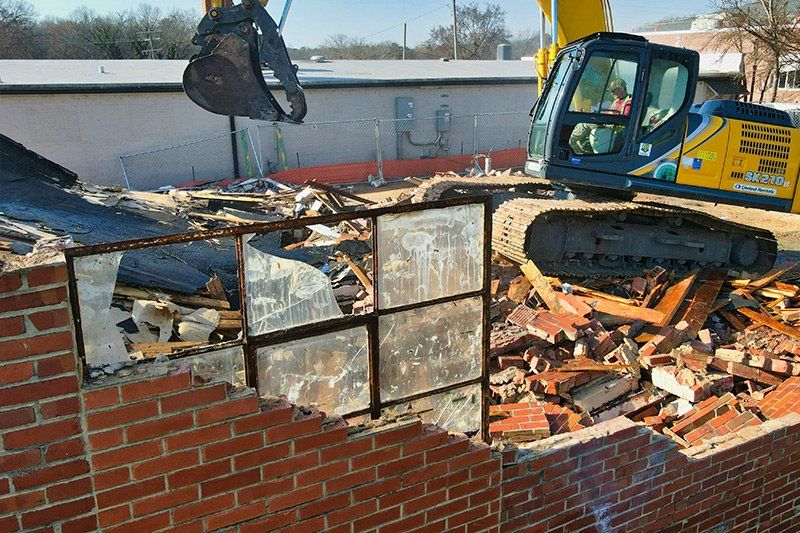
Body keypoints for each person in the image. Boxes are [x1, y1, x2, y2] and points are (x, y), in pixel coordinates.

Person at [568, 78, 632, 155]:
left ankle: (569, 143)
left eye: (613, 91)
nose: (611, 93)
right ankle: (581, 149)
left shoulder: (628, 102)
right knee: (583, 120)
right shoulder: (616, 101)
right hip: (607, 123)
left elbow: (624, 118)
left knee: (583, 125)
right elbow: (608, 113)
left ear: (621, 89)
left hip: (614, 128)